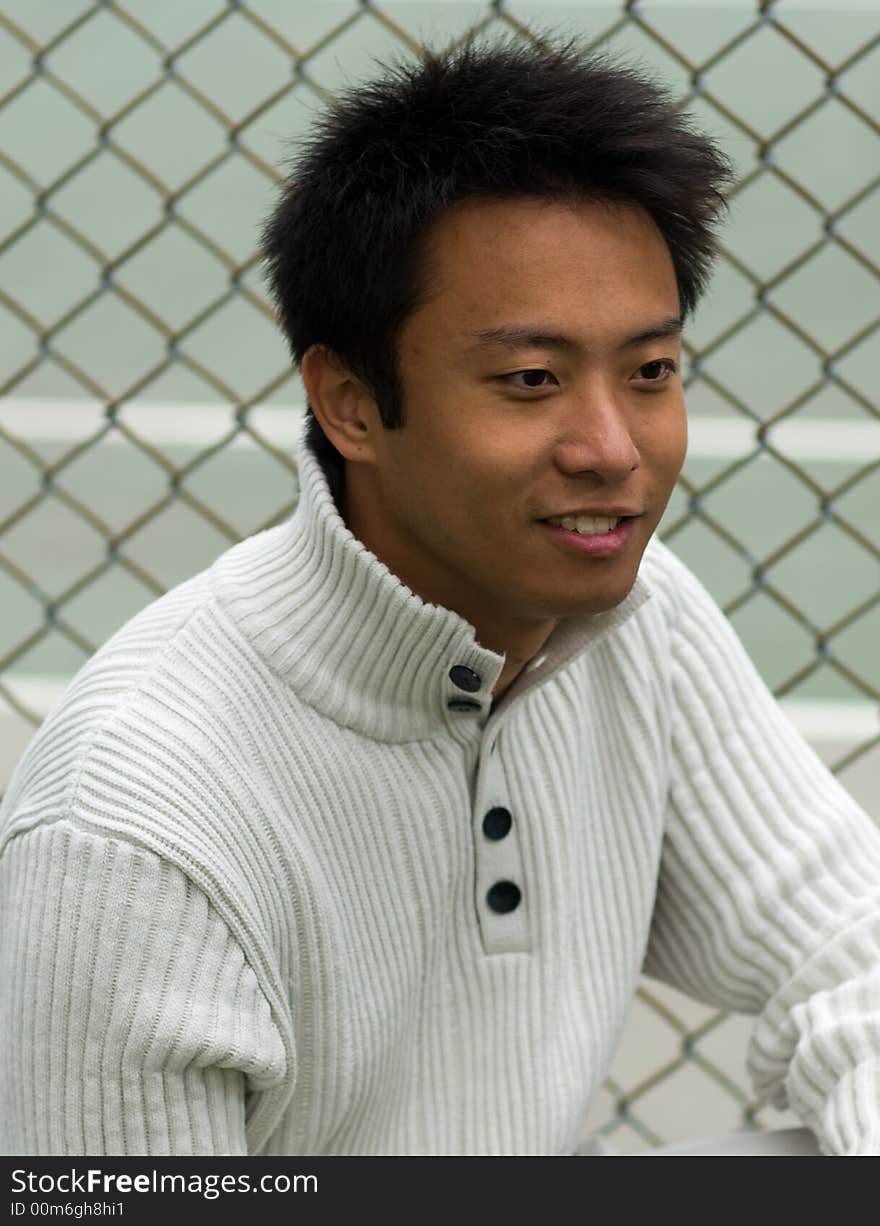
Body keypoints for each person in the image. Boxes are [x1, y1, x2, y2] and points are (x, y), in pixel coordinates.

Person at [1, 33, 878, 1159]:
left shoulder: (636, 620)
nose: (612, 448)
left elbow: (850, 943)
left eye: (651, 371)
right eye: (530, 381)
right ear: (351, 401)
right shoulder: (132, 830)